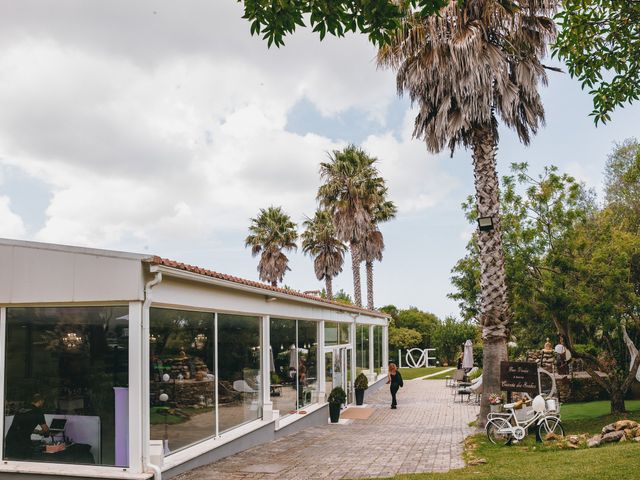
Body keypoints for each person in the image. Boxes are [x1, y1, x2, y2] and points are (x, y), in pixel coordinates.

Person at [5, 394, 50, 460]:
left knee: (12, 462)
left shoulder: (21, 409)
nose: (43, 403)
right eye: (43, 401)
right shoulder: (38, 412)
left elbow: (23, 427)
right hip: (22, 442)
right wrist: (47, 433)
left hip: (10, 438)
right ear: (40, 401)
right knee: (26, 461)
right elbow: (45, 429)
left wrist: (38, 432)